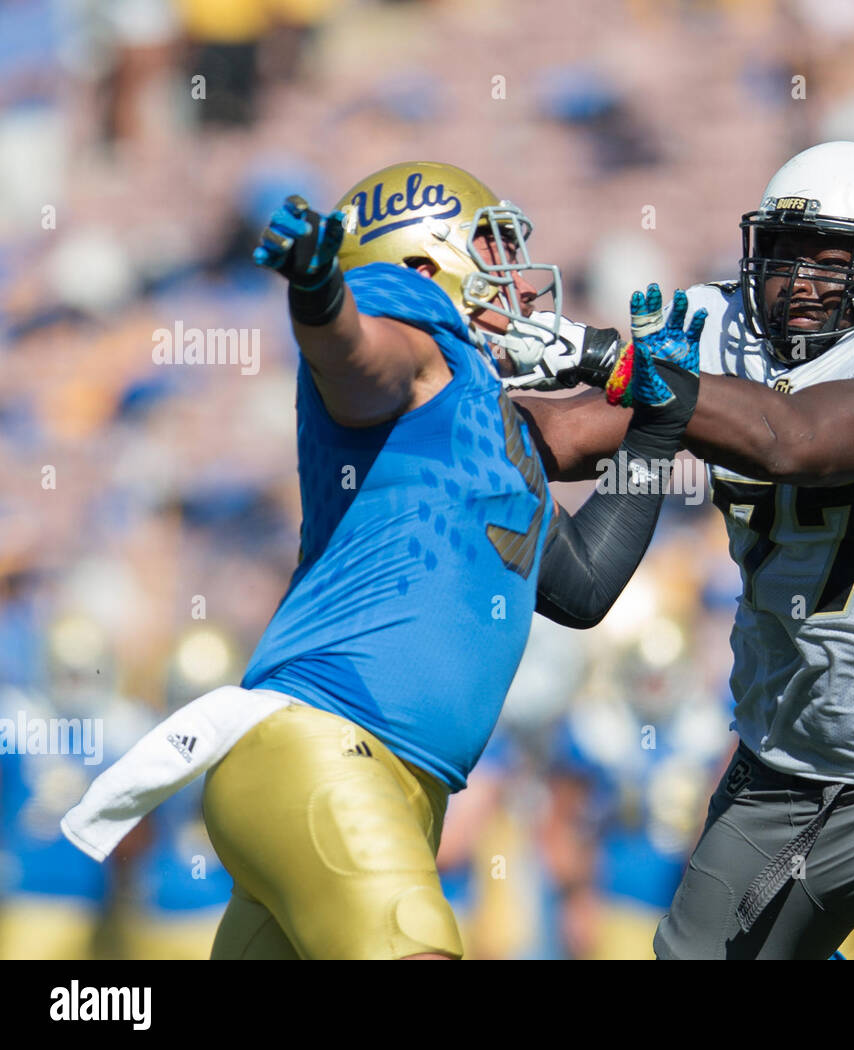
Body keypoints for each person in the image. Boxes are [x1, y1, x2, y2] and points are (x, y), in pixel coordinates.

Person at [66, 160, 705, 960]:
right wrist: (320, 294)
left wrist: (653, 434)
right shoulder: (413, 330)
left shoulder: (481, 433)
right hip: (329, 749)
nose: (520, 284)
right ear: (423, 265)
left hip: (389, 782)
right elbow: (356, 359)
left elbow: (581, 587)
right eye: (491, 250)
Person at [515, 141, 854, 959]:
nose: (799, 279)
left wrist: (617, 360)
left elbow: (796, 440)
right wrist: (455, 383)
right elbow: (558, 436)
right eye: (780, 254)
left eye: (830, 256)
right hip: (778, 779)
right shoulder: (720, 333)